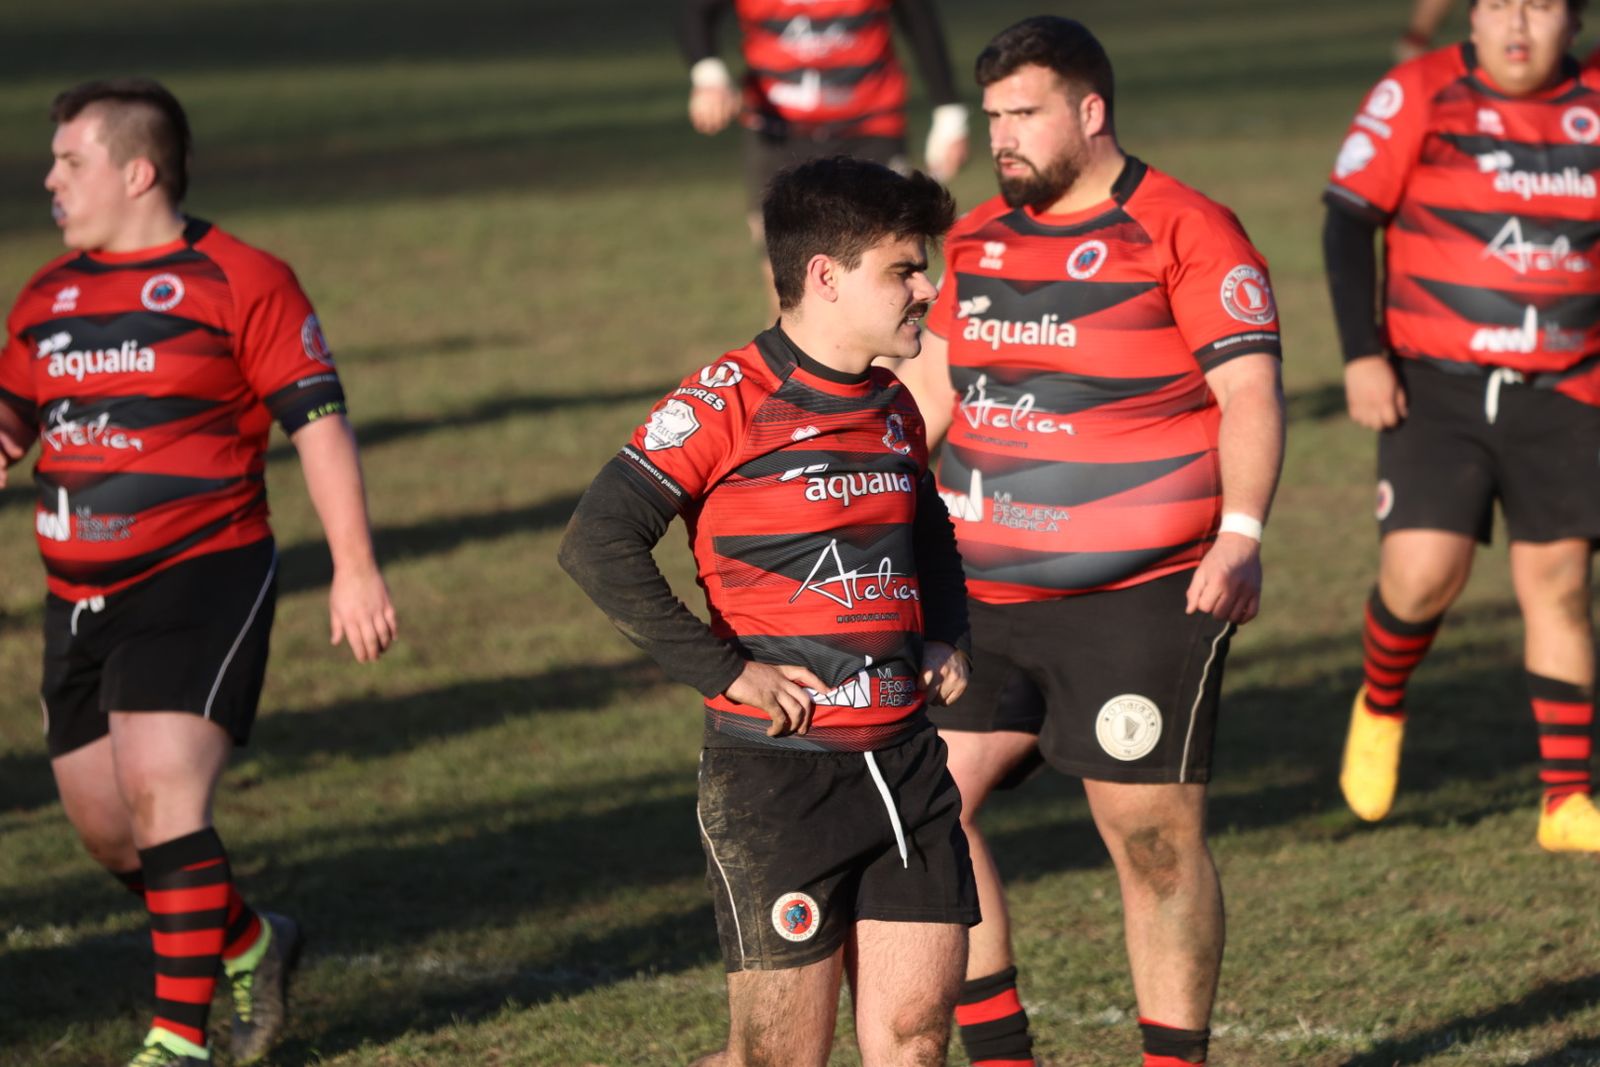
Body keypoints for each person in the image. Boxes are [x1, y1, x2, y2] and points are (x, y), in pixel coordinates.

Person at [892, 17, 1286, 1067]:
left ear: (1091, 112)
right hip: (975, 594)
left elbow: (1247, 391)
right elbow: (926, 391)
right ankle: (1003, 1054)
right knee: (926, 807)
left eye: (1023, 114)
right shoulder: (973, 241)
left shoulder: (1186, 230)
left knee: (1151, 842)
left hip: (1142, 596)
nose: (1002, 137)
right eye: (992, 119)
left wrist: (1240, 534)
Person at [0, 79, 397, 1067]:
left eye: (69, 161)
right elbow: (8, 418)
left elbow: (318, 424)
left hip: (200, 572)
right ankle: (254, 939)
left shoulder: (242, 277)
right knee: (110, 833)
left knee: (164, 797)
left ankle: (177, 1039)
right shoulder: (47, 295)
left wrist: (354, 567)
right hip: (74, 596)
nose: (49, 179)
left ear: (137, 172)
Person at [560, 155, 978, 1067]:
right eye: (904, 268)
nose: (927, 287)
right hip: (778, 783)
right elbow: (598, 542)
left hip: (907, 763)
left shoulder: (893, 404)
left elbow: (930, 521)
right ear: (825, 276)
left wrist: (947, 625)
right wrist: (726, 670)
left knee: (914, 1040)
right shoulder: (727, 400)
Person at [1325, 0, 1600, 850]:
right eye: (1499, 4)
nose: (1519, 25)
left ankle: (1566, 799)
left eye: (1541, 5)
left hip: (1569, 388)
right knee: (1419, 576)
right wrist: (1362, 354)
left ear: (1576, 19)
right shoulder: (1417, 92)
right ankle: (1381, 698)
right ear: (1471, 18)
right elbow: (1348, 220)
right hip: (1435, 387)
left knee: (1557, 582)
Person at [679, 0, 970, 311]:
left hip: (869, 130)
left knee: (884, 290)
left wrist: (949, 114)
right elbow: (694, 13)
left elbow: (918, 18)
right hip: (777, 134)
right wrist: (708, 75)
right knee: (791, 298)